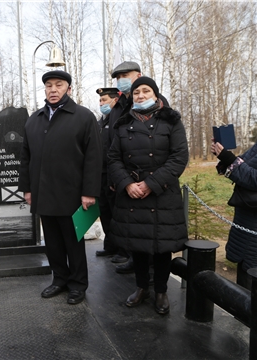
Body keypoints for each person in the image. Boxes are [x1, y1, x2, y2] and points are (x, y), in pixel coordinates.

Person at [18, 70, 102, 305]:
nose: (53, 90)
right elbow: (26, 158)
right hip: (43, 193)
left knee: (73, 243)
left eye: (58, 85)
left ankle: (77, 284)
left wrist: (89, 191)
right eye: (48, 86)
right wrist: (27, 188)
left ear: (69, 89)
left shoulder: (83, 117)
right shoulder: (34, 120)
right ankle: (59, 279)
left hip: (72, 194)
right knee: (53, 242)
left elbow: (94, 157)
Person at [108, 76, 188, 315]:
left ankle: (161, 291)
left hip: (161, 193)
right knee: (138, 245)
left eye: (146, 91)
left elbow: (179, 157)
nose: (140, 96)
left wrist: (151, 184)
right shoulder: (123, 124)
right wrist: (126, 184)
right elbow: (113, 158)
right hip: (132, 193)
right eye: (136, 93)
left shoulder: (171, 121)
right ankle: (142, 287)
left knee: (162, 247)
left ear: (155, 94)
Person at [109, 61, 171, 274]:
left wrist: (150, 182)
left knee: (153, 231)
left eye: (126, 75)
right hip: (127, 179)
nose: (122, 80)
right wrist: (121, 180)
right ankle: (137, 264)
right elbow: (114, 147)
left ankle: (154, 274)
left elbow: (172, 152)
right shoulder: (121, 105)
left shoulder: (159, 105)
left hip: (154, 183)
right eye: (118, 77)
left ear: (139, 74)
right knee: (134, 229)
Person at [211, 141, 257, 290]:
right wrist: (224, 157)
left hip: (254, 224)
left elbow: (253, 178)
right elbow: (243, 164)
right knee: (244, 276)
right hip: (246, 218)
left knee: (252, 276)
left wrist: (229, 159)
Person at [95, 87, 120, 258]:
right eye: (100, 101)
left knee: (116, 213)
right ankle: (110, 246)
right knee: (104, 211)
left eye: (104, 100)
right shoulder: (100, 122)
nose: (101, 103)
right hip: (100, 175)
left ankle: (122, 250)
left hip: (113, 175)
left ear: (115, 100)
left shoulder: (118, 121)